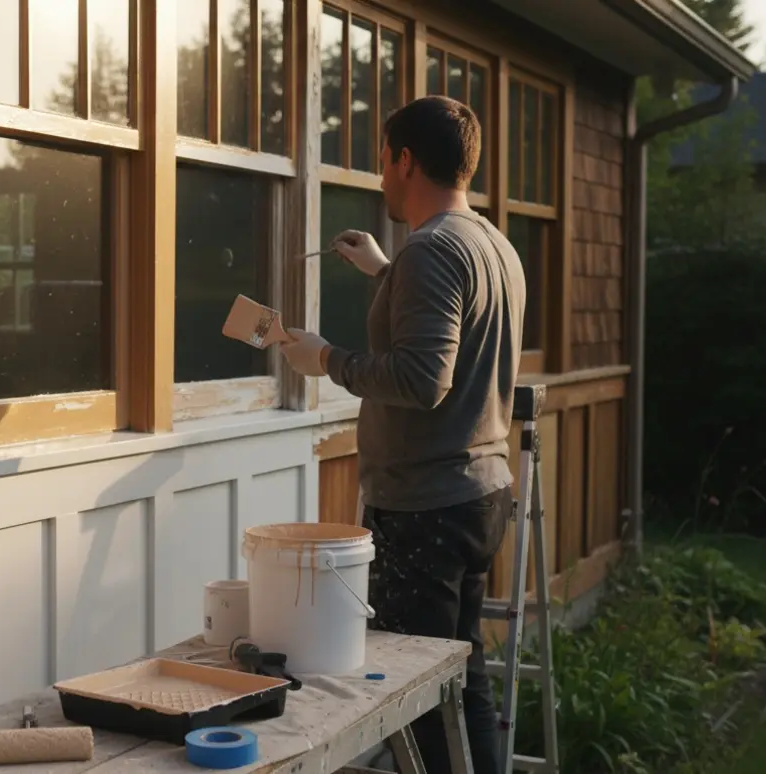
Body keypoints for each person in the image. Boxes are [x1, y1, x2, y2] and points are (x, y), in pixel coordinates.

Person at [280, 95, 525, 774]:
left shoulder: (432, 251)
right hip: (478, 495)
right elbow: (452, 328)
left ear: (406, 161)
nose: (381, 174)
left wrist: (327, 360)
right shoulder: (491, 243)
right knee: (462, 678)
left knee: (416, 700)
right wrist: (385, 272)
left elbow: (422, 379)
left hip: (427, 510)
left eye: (384, 159)